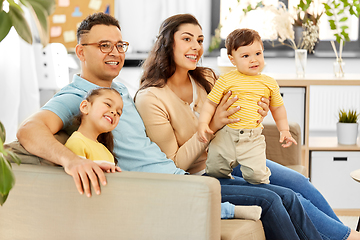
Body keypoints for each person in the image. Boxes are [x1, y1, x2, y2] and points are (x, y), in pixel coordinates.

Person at [135, 13, 360, 240]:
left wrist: (257, 114)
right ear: (166, 42)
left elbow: (239, 117)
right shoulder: (151, 98)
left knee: (299, 181)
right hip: (200, 173)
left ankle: (346, 234)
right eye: (187, 39)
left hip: (235, 155)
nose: (196, 47)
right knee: (290, 196)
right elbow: (174, 166)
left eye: (200, 40)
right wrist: (212, 125)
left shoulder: (206, 78)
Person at [198, 28, 297, 184]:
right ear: (232, 60)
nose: (254, 60)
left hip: (252, 138)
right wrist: (203, 124)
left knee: (257, 176)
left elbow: (277, 108)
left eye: (258, 54)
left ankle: (263, 193)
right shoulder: (225, 79)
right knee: (215, 170)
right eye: (245, 56)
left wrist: (284, 130)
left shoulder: (269, 83)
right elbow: (210, 103)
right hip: (225, 135)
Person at [65, 87, 123, 172]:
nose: (114, 112)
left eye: (118, 113)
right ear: (85, 107)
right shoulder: (77, 142)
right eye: (108, 104)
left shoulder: (107, 152)